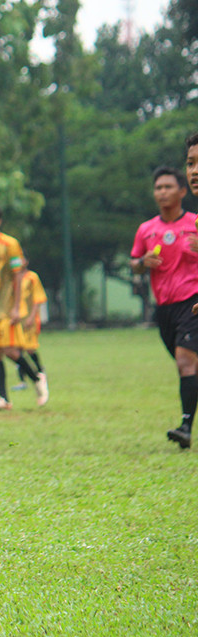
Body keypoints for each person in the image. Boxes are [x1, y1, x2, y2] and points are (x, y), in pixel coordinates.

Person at [131, 164, 198, 449]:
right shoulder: (146, 230)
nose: (163, 192)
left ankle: (185, 427)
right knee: (188, 366)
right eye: (158, 188)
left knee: (186, 362)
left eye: (168, 186)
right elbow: (134, 265)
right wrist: (141, 263)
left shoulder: (195, 223)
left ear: (182, 191)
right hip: (165, 309)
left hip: (193, 302)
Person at [0, 203, 48, 411]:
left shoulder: (10, 244)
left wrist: (16, 307)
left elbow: (17, 276)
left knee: (10, 350)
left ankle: (36, 378)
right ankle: (3, 399)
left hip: (7, 308)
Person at [11, 258, 47, 391]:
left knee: (30, 349)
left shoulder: (32, 277)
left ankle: (40, 373)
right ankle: (22, 381)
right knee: (17, 350)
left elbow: (38, 299)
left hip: (29, 319)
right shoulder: (13, 278)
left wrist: (32, 317)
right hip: (16, 320)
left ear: (26, 261)